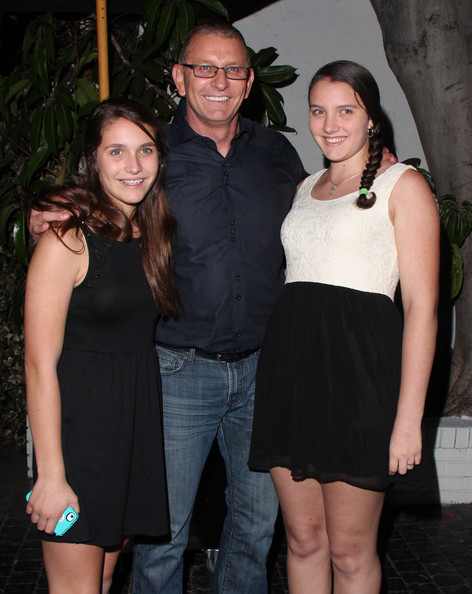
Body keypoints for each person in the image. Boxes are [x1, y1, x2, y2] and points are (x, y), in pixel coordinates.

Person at [30, 23, 307, 593]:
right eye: (204, 67)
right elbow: (98, 194)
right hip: (177, 370)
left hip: (263, 370)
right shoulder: (155, 152)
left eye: (232, 69)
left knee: (255, 526)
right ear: (179, 77)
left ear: (250, 81)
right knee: (161, 534)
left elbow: (318, 218)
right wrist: (51, 207)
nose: (219, 80)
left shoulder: (277, 153)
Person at [249, 60, 440, 593]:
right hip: (292, 379)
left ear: (371, 118)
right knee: (304, 540)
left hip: (359, 385)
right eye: (318, 110)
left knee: (351, 554)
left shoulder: (404, 185)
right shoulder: (305, 187)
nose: (330, 124)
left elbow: (423, 309)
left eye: (346, 110)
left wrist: (408, 420)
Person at [25, 97, 179, 594]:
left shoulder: (148, 232)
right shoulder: (66, 241)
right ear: (93, 159)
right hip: (78, 442)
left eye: (145, 150)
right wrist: (51, 476)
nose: (133, 166)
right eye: (116, 151)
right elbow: (38, 365)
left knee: (107, 575)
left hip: (130, 434)